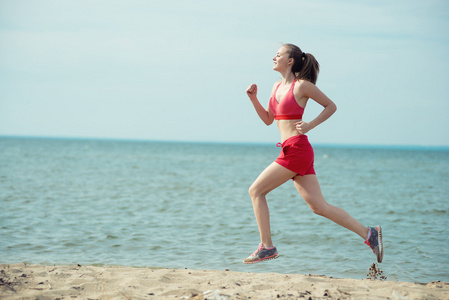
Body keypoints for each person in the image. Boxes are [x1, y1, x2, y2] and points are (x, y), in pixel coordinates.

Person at [243, 43, 383, 264]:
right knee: (319, 207)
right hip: (294, 150)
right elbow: (269, 120)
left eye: (278, 55)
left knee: (256, 191)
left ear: (290, 61)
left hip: (297, 149)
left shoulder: (302, 86)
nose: (273, 57)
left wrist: (310, 125)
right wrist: (253, 100)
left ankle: (267, 246)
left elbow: (330, 106)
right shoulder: (275, 87)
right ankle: (369, 234)